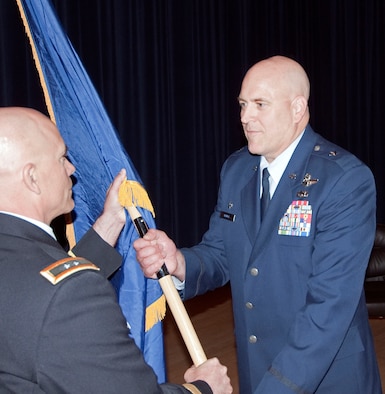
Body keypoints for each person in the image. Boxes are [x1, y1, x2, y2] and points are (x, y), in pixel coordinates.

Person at [134, 55, 382, 393]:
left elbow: (329, 308)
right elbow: (221, 252)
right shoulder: (237, 170)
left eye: (260, 104)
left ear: (297, 109)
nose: (245, 117)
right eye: (243, 104)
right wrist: (179, 263)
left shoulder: (343, 180)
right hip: (257, 366)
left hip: (326, 377)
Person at [0, 106, 232, 394]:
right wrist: (202, 389)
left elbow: (33, 291)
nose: (71, 169)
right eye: (61, 159)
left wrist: (109, 224)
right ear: (32, 178)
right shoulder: (69, 297)